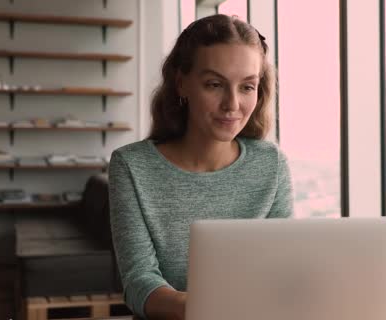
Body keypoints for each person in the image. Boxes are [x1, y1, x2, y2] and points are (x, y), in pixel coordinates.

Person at [108, 14, 294, 320]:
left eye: (247, 87)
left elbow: (282, 268)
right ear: (182, 83)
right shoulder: (132, 167)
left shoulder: (271, 164)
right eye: (214, 84)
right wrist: (205, 308)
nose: (232, 104)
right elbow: (139, 281)